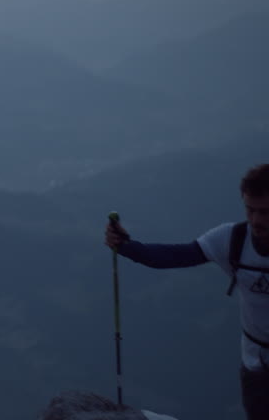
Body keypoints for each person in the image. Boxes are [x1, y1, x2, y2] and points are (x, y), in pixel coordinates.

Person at [105, 163, 269, 420]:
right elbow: (174, 256)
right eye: (250, 209)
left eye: (266, 212)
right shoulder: (232, 239)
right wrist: (126, 246)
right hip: (255, 364)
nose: (257, 220)